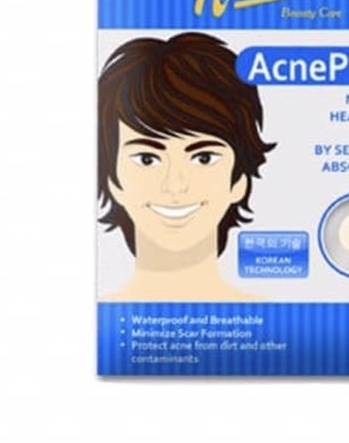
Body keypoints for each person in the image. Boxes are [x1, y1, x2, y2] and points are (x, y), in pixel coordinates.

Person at [98, 32, 275, 301]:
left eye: (203, 158)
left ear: (239, 180)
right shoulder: (96, 318)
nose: (175, 185)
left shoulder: (273, 316)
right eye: (147, 159)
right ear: (112, 180)